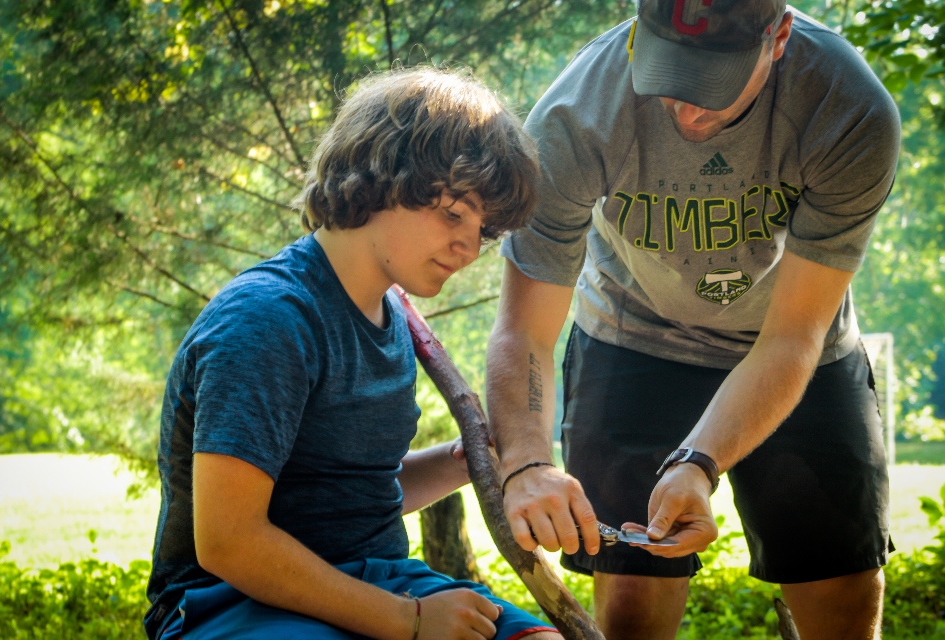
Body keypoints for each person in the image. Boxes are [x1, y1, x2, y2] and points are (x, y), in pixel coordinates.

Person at [486, 0, 900, 638]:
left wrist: (698, 462)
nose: (687, 110)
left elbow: (794, 334)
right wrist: (527, 463)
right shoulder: (575, 118)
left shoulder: (847, 109)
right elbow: (526, 331)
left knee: (841, 590)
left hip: (792, 344)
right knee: (629, 597)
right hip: (631, 334)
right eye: (668, 77)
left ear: (780, 35)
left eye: (714, 85)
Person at [143, 67, 562, 640]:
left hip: (379, 579)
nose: (468, 247)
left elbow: (352, 498)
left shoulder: (391, 318)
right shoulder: (269, 319)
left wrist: (456, 461)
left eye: (483, 229)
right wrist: (408, 623)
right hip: (230, 603)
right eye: (453, 213)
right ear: (385, 177)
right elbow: (229, 543)